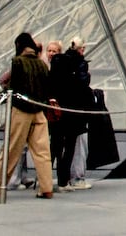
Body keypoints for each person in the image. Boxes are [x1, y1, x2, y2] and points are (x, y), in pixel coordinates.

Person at [0, 33, 54, 200]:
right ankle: (46, 188)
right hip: (39, 111)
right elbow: (46, 88)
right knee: (42, 152)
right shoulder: (42, 65)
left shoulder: (18, 62)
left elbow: (13, 87)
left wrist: (1, 95)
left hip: (22, 112)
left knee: (10, 150)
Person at [48, 36, 92, 191]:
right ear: (80, 48)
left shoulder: (59, 61)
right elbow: (83, 84)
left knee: (55, 146)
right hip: (74, 111)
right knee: (70, 147)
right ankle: (63, 181)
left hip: (59, 110)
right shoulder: (79, 63)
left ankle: (45, 180)